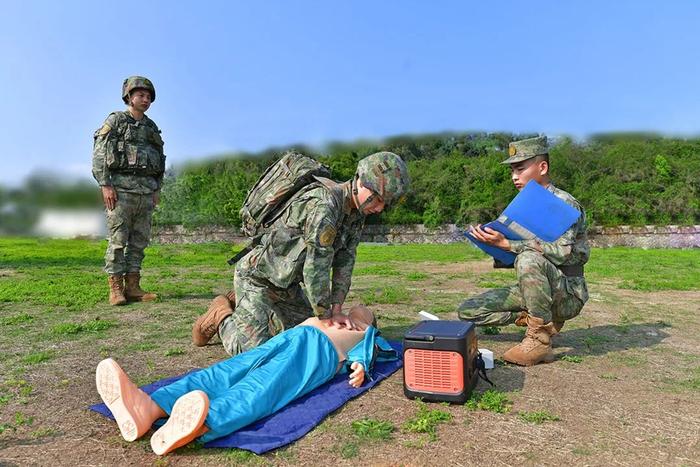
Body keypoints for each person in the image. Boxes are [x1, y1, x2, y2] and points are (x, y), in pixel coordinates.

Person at [95, 305, 395, 455]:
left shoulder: (367, 334)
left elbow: (371, 354)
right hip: (291, 337)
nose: (356, 313)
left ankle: (201, 422)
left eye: (362, 315)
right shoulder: (332, 313)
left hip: (314, 353)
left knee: (262, 387)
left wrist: (359, 365)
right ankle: (148, 408)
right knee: (225, 371)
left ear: (370, 324)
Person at [191, 152, 410, 356]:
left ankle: (253, 312)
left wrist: (336, 309)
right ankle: (222, 314)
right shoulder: (324, 205)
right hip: (258, 278)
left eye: (385, 203)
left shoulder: (355, 215)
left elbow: (345, 262)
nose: (379, 208)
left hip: (287, 286)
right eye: (377, 198)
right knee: (254, 354)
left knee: (306, 341)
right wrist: (326, 316)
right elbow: (317, 267)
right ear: (360, 181)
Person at [458, 136, 590, 366]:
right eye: (511, 170)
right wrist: (492, 243)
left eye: (520, 168)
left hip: (567, 291)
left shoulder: (563, 203)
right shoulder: (522, 205)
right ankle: (535, 319)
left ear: (542, 167)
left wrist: (508, 244)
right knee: (469, 311)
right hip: (536, 288)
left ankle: (539, 340)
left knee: (529, 257)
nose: (514, 176)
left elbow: (563, 253)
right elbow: (515, 257)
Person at [92, 76, 165, 306]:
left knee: (139, 241)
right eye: (141, 95)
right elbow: (100, 154)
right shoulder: (116, 121)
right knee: (118, 240)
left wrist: (157, 188)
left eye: (148, 97)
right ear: (129, 97)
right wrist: (105, 184)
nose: (145, 100)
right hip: (121, 191)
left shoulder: (151, 127)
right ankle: (115, 288)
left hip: (145, 191)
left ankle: (133, 286)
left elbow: (160, 160)